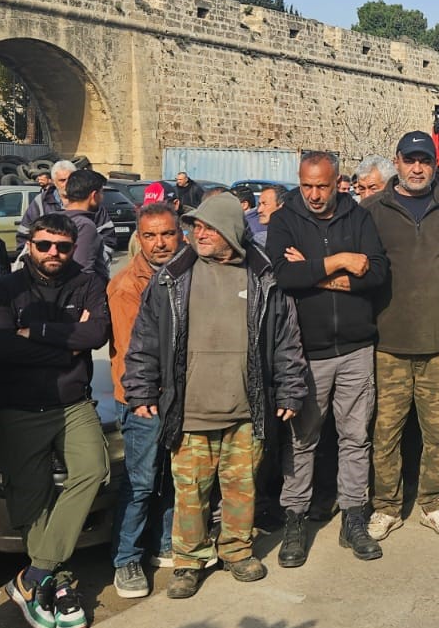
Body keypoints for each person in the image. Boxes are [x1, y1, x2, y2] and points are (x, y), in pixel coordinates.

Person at [123, 193, 309, 599]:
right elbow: (145, 338)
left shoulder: (262, 276)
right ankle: (189, 562)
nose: (199, 234)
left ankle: (236, 551)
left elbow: (286, 339)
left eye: (209, 227)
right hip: (190, 411)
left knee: (242, 487)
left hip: (246, 409)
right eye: (196, 227)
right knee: (190, 491)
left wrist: (290, 389)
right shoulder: (172, 278)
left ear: (232, 231)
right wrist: (140, 388)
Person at [0, 212, 111, 628]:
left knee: (93, 470)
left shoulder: (88, 283)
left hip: (72, 403)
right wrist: (65, 347)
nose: (53, 252)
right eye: (44, 245)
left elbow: (95, 335)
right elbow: (2, 346)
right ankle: (56, 584)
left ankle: (33, 575)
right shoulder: (6, 288)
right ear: (29, 245)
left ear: (74, 248)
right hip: (20, 406)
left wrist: (33, 331)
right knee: (32, 500)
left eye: (62, 246)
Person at [267, 152, 389, 563]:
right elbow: (284, 276)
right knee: (302, 440)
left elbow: (376, 274)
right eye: (307, 186)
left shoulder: (358, 218)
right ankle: (295, 519)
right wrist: (339, 262)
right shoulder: (285, 221)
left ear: (338, 182)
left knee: (356, 438)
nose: (315, 195)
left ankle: (354, 517)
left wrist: (315, 273)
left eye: (322, 186)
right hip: (308, 352)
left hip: (356, 348)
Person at [360, 132, 439, 540]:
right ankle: (386, 506)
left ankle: (434, 502)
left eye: (425, 160)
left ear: (435, 165)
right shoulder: (372, 211)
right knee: (385, 433)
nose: (418, 168)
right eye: (410, 160)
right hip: (388, 345)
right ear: (398, 161)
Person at [107, 203, 181, 599]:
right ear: (139, 238)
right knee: (140, 481)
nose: (159, 243)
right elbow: (134, 350)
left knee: (169, 474)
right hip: (144, 397)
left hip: (175, 394)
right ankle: (126, 557)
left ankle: (164, 541)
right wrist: (143, 396)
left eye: (167, 234)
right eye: (150, 236)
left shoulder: (185, 273)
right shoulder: (127, 285)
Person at [17, 161, 115, 254]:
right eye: (62, 180)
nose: (67, 184)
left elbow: (108, 237)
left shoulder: (90, 202)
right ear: (53, 182)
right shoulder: (41, 202)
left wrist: (99, 261)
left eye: (70, 179)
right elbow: (24, 234)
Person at [59, 169, 110, 279]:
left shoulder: (51, 218)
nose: (102, 198)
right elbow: (83, 271)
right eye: (101, 193)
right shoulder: (85, 226)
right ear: (94, 195)